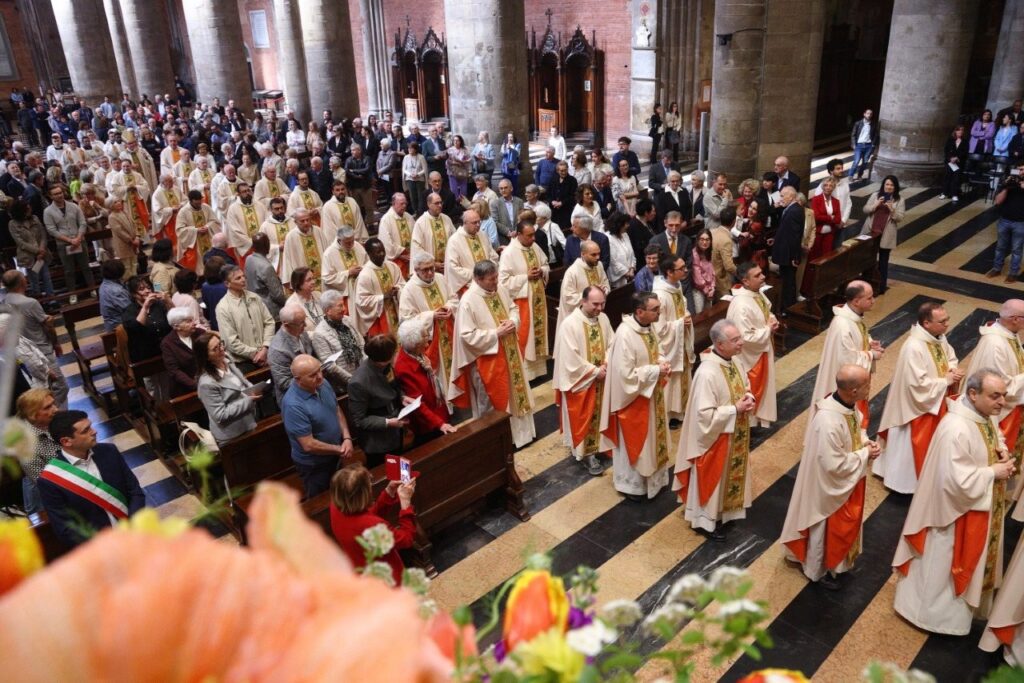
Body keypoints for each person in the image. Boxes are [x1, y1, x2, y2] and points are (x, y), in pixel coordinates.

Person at [893, 368, 1016, 635]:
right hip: (948, 516)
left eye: (1004, 395)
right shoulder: (955, 428)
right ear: (973, 394)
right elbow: (953, 481)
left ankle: (953, 618)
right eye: (995, 396)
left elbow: (995, 436)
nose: (1002, 402)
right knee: (938, 568)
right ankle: (925, 616)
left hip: (974, 508)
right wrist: (992, 473)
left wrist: (1002, 452)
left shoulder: (983, 415)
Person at [780, 365, 881, 589]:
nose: (870, 387)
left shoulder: (846, 406)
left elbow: (855, 431)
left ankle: (838, 565)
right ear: (853, 390)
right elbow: (833, 465)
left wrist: (866, 442)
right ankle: (818, 568)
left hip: (845, 481)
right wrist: (865, 454)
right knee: (823, 528)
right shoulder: (828, 420)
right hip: (827, 487)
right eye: (866, 384)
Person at [674, 319, 756, 539]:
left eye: (740, 337)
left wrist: (749, 397)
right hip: (714, 440)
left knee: (728, 477)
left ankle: (723, 513)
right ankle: (704, 521)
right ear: (720, 345)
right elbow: (704, 416)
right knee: (713, 478)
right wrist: (734, 409)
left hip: (734, 433)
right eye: (735, 340)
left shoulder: (735, 361)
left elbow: (745, 385)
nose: (741, 342)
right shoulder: (707, 373)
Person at [872, 302, 961, 495]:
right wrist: (945, 381)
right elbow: (916, 385)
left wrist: (952, 369)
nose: (947, 324)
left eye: (947, 319)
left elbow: (950, 357)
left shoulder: (939, 338)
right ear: (926, 323)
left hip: (935, 400)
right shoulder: (913, 347)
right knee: (907, 448)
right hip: (913, 408)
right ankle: (902, 483)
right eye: (942, 321)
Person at [448, 261, 536, 447]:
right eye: (491, 279)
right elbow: (467, 336)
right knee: (490, 403)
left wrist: (513, 321)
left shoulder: (499, 289)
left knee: (516, 394)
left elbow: (512, 308)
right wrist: (496, 333)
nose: (496, 282)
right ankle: (494, 444)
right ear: (478, 279)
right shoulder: (468, 301)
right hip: (487, 361)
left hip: (510, 352)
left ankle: (521, 436)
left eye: (496, 277)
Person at [600, 292, 672, 501]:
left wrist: (662, 361)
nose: (659, 312)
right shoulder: (625, 334)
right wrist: (655, 370)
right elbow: (625, 376)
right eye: (655, 309)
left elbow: (656, 350)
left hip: (651, 395)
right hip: (632, 401)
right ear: (640, 312)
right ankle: (633, 487)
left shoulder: (649, 327)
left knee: (653, 441)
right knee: (637, 444)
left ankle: (654, 481)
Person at [37, 410, 146, 548]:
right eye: (86, 431)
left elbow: (134, 491)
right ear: (66, 441)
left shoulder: (109, 451)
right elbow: (65, 529)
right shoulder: (50, 480)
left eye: (91, 426)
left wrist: (132, 523)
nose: (94, 432)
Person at [552, 286, 614, 476]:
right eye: (595, 304)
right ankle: (587, 454)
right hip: (582, 382)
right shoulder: (569, 324)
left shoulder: (603, 318)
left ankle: (602, 445)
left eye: (602, 303)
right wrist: (594, 371)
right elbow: (570, 359)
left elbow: (612, 343)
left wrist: (607, 363)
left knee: (603, 413)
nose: (599, 308)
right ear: (583, 301)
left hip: (603, 377)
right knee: (585, 415)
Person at [809, 280, 884, 433]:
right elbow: (847, 361)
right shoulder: (843, 325)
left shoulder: (853, 317)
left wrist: (869, 343)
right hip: (843, 384)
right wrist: (872, 355)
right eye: (869, 298)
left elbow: (856, 338)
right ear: (856, 301)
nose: (873, 300)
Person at [961, 299, 1024, 470]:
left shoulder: (1009, 334)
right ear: (1015, 319)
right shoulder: (995, 344)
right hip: (997, 410)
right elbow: (1001, 387)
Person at [281, 354, 355, 498]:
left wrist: (346, 438)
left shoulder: (322, 384)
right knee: (322, 501)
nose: (320, 376)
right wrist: (340, 449)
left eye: (319, 370)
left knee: (342, 495)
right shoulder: (293, 405)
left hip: (336, 454)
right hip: (315, 466)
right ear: (298, 379)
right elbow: (308, 444)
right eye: (312, 375)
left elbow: (336, 409)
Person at [329, 464, 416, 584]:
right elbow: (406, 540)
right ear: (362, 494)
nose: (371, 487)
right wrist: (406, 503)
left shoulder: (336, 506)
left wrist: (389, 491)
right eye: (369, 484)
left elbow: (368, 515)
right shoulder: (372, 525)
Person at [727, 262, 780, 428]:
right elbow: (744, 337)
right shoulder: (741, 305)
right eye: (757, 275)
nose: (763, 277)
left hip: (762, 348)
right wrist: (768, 329)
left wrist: (772, 320)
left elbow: (764, 312)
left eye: (761, 273)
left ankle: (754, 419)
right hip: (750, 356)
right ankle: (746, 423)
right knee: (751, 388)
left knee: (762, 386)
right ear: (745, 281)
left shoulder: (756, 293)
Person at [498, 221, 550, 381]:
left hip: (538, 298)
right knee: (526, 336)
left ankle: (539, 371)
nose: (533, 238)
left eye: (534, 234)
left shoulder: (534, 247)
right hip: (522, 302)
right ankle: (526, 374)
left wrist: (542, 271)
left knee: (537, 336)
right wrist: (525, 277)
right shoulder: (509, 253)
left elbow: (546, 264)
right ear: (519, 234)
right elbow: (503, 282)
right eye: (529, 235)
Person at [347, 334, 409, 468]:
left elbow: (394, 385)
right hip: (378, 441)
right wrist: (388, 422)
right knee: (386, 473)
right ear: (384, 359)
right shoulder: (358, 382)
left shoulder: (385, 365)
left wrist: (402, 397)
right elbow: (359, 420)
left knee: (399, 467)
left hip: (395, 431)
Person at [393, 318, 456, 441]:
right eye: (424, 343)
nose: (427, 345)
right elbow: (417, 404)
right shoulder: (403, 368)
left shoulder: (415, 353)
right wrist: (440, 424)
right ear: (415, 346)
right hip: (428, 424)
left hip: (438, 412)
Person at [195, 331, 263, 443]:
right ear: (206, 357)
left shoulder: (226, 359)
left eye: (220, 344)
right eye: (215, 349)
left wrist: (254, 388)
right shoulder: (206, 383)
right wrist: (248, 400)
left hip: (249, 421)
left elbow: (243, 381)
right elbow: (220, 415)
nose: (222, 349)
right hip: (232, 433)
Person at [652, 255, 694, 427]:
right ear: (669, 272)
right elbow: (659, 328)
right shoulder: (661, 295)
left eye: (685, 266)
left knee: (682, 375)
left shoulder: (676, 286)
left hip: (680, 340)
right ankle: (668, 415)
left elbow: (682, 308)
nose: (685, 270)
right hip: (668, 345)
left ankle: (681, 411)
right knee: (671, 379)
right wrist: (680, 324)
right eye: (681, 268)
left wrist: (685, 317)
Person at [216, 264, 275, 371]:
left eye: (244, 276)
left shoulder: (254, 297)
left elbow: (269, 322)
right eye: (238, 278)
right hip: (244, 362)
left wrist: (265, 347)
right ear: (227, 284)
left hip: (267, 352)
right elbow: (230, 342)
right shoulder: (223, 307)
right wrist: (255, 353)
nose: (243, 280)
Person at [14, 389, 60, 515]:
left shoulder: (54, 422)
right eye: (48, 407)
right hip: (47, 501)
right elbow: (46, 484)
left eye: (54, 404)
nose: (56, 409)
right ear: (32, 414)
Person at [312, 288, 365, 393]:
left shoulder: (348, 320)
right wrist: (353, 380)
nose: (344, 308)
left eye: (343, 304)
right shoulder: (320, 334)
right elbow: (330, 365)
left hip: (363, 374)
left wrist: (366, 370)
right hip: (345, 385)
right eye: (340, 306)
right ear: (328, 311)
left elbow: (362, 345)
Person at [43, 185, 94, 292]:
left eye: (60, 193)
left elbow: (82, 223)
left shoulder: (74, 206)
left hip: (79, 240)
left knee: (86, 267)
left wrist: (78, 237)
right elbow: (51, 230)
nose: (59, 195)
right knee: (69, 270)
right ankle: (72, 293)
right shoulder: (48, 211)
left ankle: (92, 289)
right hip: (64, 244)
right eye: (56, 194)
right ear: (51, 196)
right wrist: (70, 240)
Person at [353, 238, 406, 337]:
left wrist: (398, 289)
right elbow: (361, 301)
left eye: (383, 251)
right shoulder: (365, 275)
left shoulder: (392, 266)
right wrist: (383, 297)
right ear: (369, 254)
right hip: (380, 319)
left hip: (397, 311)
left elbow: (403, 285)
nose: (382, 254)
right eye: (378, 252)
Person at [557, 239, 611, 336]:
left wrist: (604, 291)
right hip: (578, 320)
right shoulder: (572, 272)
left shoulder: (599, 266)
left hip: (596, 314)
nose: (598, 257)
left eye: (599, 254)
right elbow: (568, 298)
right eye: (593, 255)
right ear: (583, 254)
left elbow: (606, 284)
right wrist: (590, 296)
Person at [444, 207, 498, 296]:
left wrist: (488, 272)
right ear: (465, 223)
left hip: (488, 281)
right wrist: (478, 275)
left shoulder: (482, 235)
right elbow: (453, 268)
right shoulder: (454, 240)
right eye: (474, 223)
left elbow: (493, 256)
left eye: (479, 222)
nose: (478, 225)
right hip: (468, 285)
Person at [268, 303, 314, 405]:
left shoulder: (300, 332)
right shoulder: (278, 350)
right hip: (294, 400)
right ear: (286, 325)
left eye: (304, 320)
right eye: (301, 323)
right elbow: (284, 383)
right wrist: (311, 376)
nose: (305, 325)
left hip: (311, 387)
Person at [987, 164, 1024, 283]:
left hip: (1020, 223)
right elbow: (998, 201)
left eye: (1023, 170)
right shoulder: (1009, 182)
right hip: (1004, 220)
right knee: (1000, 246)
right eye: (1019, 169)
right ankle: (997, 268)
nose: (1021, 172)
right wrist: (1006, 188)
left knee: (1016, 249)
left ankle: (1013, 273)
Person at [9, 200, 53, 297]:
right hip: (28, 256)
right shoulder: (13, 223)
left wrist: (42, 249)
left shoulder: (35, 218)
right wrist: (37, 251)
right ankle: (38, 299)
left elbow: (43, 235)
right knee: (34, 280)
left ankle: (51, 298)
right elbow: (20, 242)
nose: (30, 210)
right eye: (27, 209)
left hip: (42, 255)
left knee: (46, 277)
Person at [771, 186, 803, 313]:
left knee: (788, 282)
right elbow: (785, 230)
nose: (780, 198)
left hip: (788, 255)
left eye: (782, 196)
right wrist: (775, 239)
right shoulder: (791, 209)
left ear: (791, 196)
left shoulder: (795, 211)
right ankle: (786, 306)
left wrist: (795, 256)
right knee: (786, 280)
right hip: (786, 252)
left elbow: (795, 236)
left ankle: (788, 308)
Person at [321, 225, 367, 312]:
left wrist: (362, 269)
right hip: (345, 298)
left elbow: (367, 264)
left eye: (352, 241)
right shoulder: (329, 254)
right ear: (339, 240)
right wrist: (348, 273)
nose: (351, 244)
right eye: (347, 242)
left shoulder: (357, 246)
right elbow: (327, 279)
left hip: (362, 292)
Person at [244, 233, 287, 320]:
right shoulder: (267, 267)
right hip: (270, 311)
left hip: (254, 306)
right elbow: (277, 295)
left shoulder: (249, 259)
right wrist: (288, 303)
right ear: (267, 246)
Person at [161, 307, 202, 397]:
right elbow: (174, 371)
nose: (194, 323)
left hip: (206, 381)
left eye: (192, 320)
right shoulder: (167, 343)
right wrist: (195, 385)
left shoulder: (200, 333)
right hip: (184, 389)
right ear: (176, 326)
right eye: (188, 321)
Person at [411, 192, 454, 274]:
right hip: (430, 268)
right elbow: (417, 247)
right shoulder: (420, 223)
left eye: (441, 202)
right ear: (429, 204)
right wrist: (432, 263)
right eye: (436, 203)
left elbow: (454, 240)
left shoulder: (447, 219)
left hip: (448, 265)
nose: (440, 205)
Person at [321, 179, 368, 244]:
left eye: (342, 189)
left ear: (346, 190)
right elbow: (330, 228)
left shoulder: (352, 201)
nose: (340, 192)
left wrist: (355, 237)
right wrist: (345, 239)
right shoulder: (328, 206)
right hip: (341, 242)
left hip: (356, 240)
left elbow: (359, 222)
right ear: (333, 192)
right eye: (337, 190)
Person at [709, 205, 738, 297]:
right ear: (734, 222)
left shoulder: (711, 231)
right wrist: (741, 273)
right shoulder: (726, 240)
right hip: (719, 280)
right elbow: (729, 266)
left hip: (708, 276)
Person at [286, 267, 324, 332]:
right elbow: (296, 332)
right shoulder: (291, 305)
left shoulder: (318, 295)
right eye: (309, 280)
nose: (313, 282)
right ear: (298, 283)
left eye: (313, 278)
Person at [605, 212, 636, 289]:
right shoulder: (607, 238)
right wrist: (626, 273)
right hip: (618, 280)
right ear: (619, 224)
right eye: (626, 223)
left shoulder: (625, 234)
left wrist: (632, 269)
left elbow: (632, 254)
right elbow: (613, 261)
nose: (628, 225)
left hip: (630, 276)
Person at [98, 260, 131, 331]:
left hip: (110, 325)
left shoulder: (104, 284)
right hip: (120, 327)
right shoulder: (117, 291)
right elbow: (130, 310)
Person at [490, 179, 524, 246]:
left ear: (511, 188)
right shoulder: (495, 203)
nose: (503, 190)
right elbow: (495, 221)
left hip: (518, 235)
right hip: (503, 237)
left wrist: (516, 231)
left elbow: (522, 219)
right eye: (501, 188)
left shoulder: (519, 201)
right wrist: (508, 232)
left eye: (505, 188)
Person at [940, 125, 969, 203]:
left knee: (956, 179)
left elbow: (965, 152)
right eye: (958, 130)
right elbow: (946, 150)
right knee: (947, 177)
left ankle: (954, 194)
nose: (960, 132)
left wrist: (957, 158)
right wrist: (950, 158)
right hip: (949, 162)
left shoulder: (965, 141)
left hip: (959, 163)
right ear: (955, 131)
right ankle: (944, 193)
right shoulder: (950, 140)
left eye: (962, 130)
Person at [849, 109, 878, 180]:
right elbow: (853, 134)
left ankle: (859, 175)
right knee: (856, 161)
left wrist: (873, 145)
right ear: (864, 114)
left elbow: (875, 135)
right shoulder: (858, 123)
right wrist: (854, 145)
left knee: (865, 162)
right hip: (859, 145)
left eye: (870, 114)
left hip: (868, 145)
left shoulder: (873, 124)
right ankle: (851, 175)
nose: (869, 115)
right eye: (868, 113)